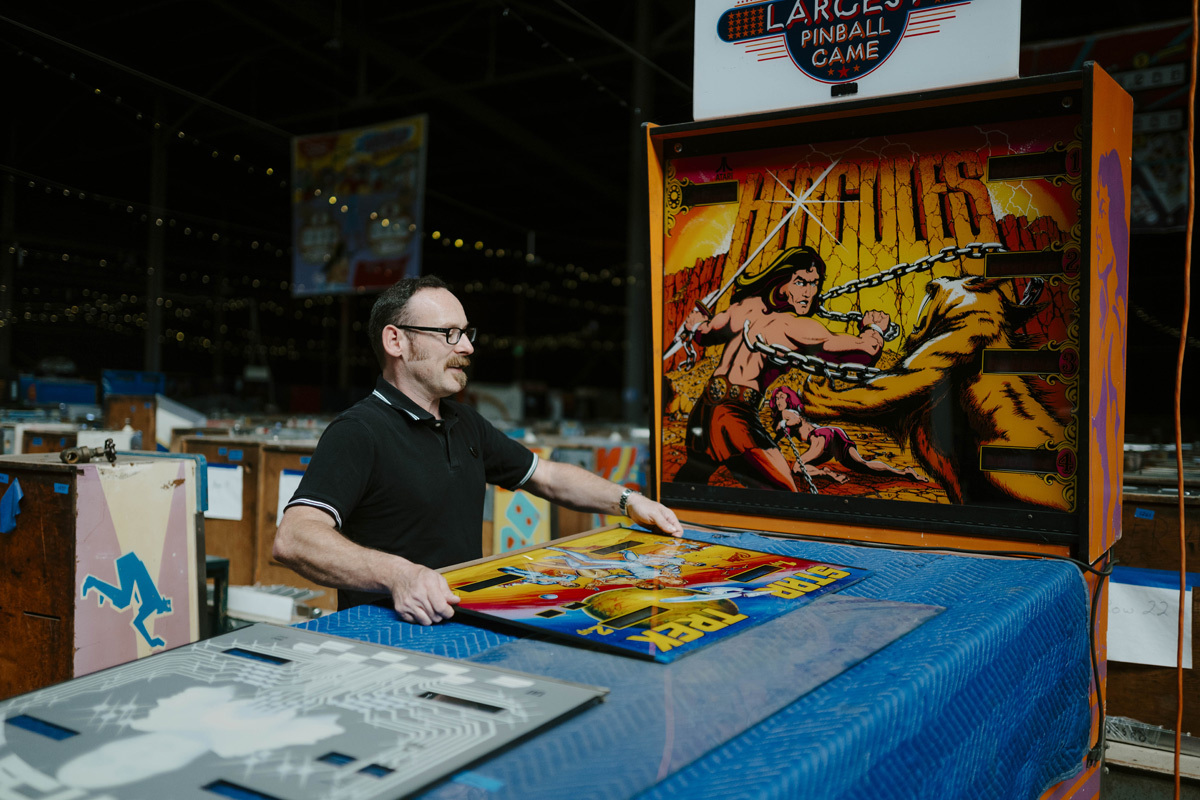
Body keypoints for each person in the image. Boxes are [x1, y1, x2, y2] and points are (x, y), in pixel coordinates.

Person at [273, 275, 682, 625]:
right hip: (386, 635)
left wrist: (629, 500)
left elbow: (549, 476)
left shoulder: (464, 423)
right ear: (396, 341)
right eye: (449, 334)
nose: (466, 347)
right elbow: (294, 537)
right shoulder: (358, 431)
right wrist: (398, 575)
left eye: (467, 334)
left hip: (459, 623)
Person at [672, 246, 890, 490]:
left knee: (691, 479)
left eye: (814, 283)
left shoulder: (746, 306)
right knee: (786, 492)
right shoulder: (792, 327)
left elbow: (705, 332)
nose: (808, 292)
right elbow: (865, 351)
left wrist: (695, 323)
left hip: (704, 410)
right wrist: (875, 328)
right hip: (734, 418)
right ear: (782, 281)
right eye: (800, 282)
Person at [769, 385, 927, 484]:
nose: (778, 401)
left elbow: (794, 421)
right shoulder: (791, 412)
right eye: (776, 398)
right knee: (862, 465)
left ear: (789, 398)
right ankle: (904, 473)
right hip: (834, 432)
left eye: (782, 397)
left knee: (798, 467)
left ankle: (827, 474)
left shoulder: (786, 413)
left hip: (820, 437)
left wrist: (782, 424)